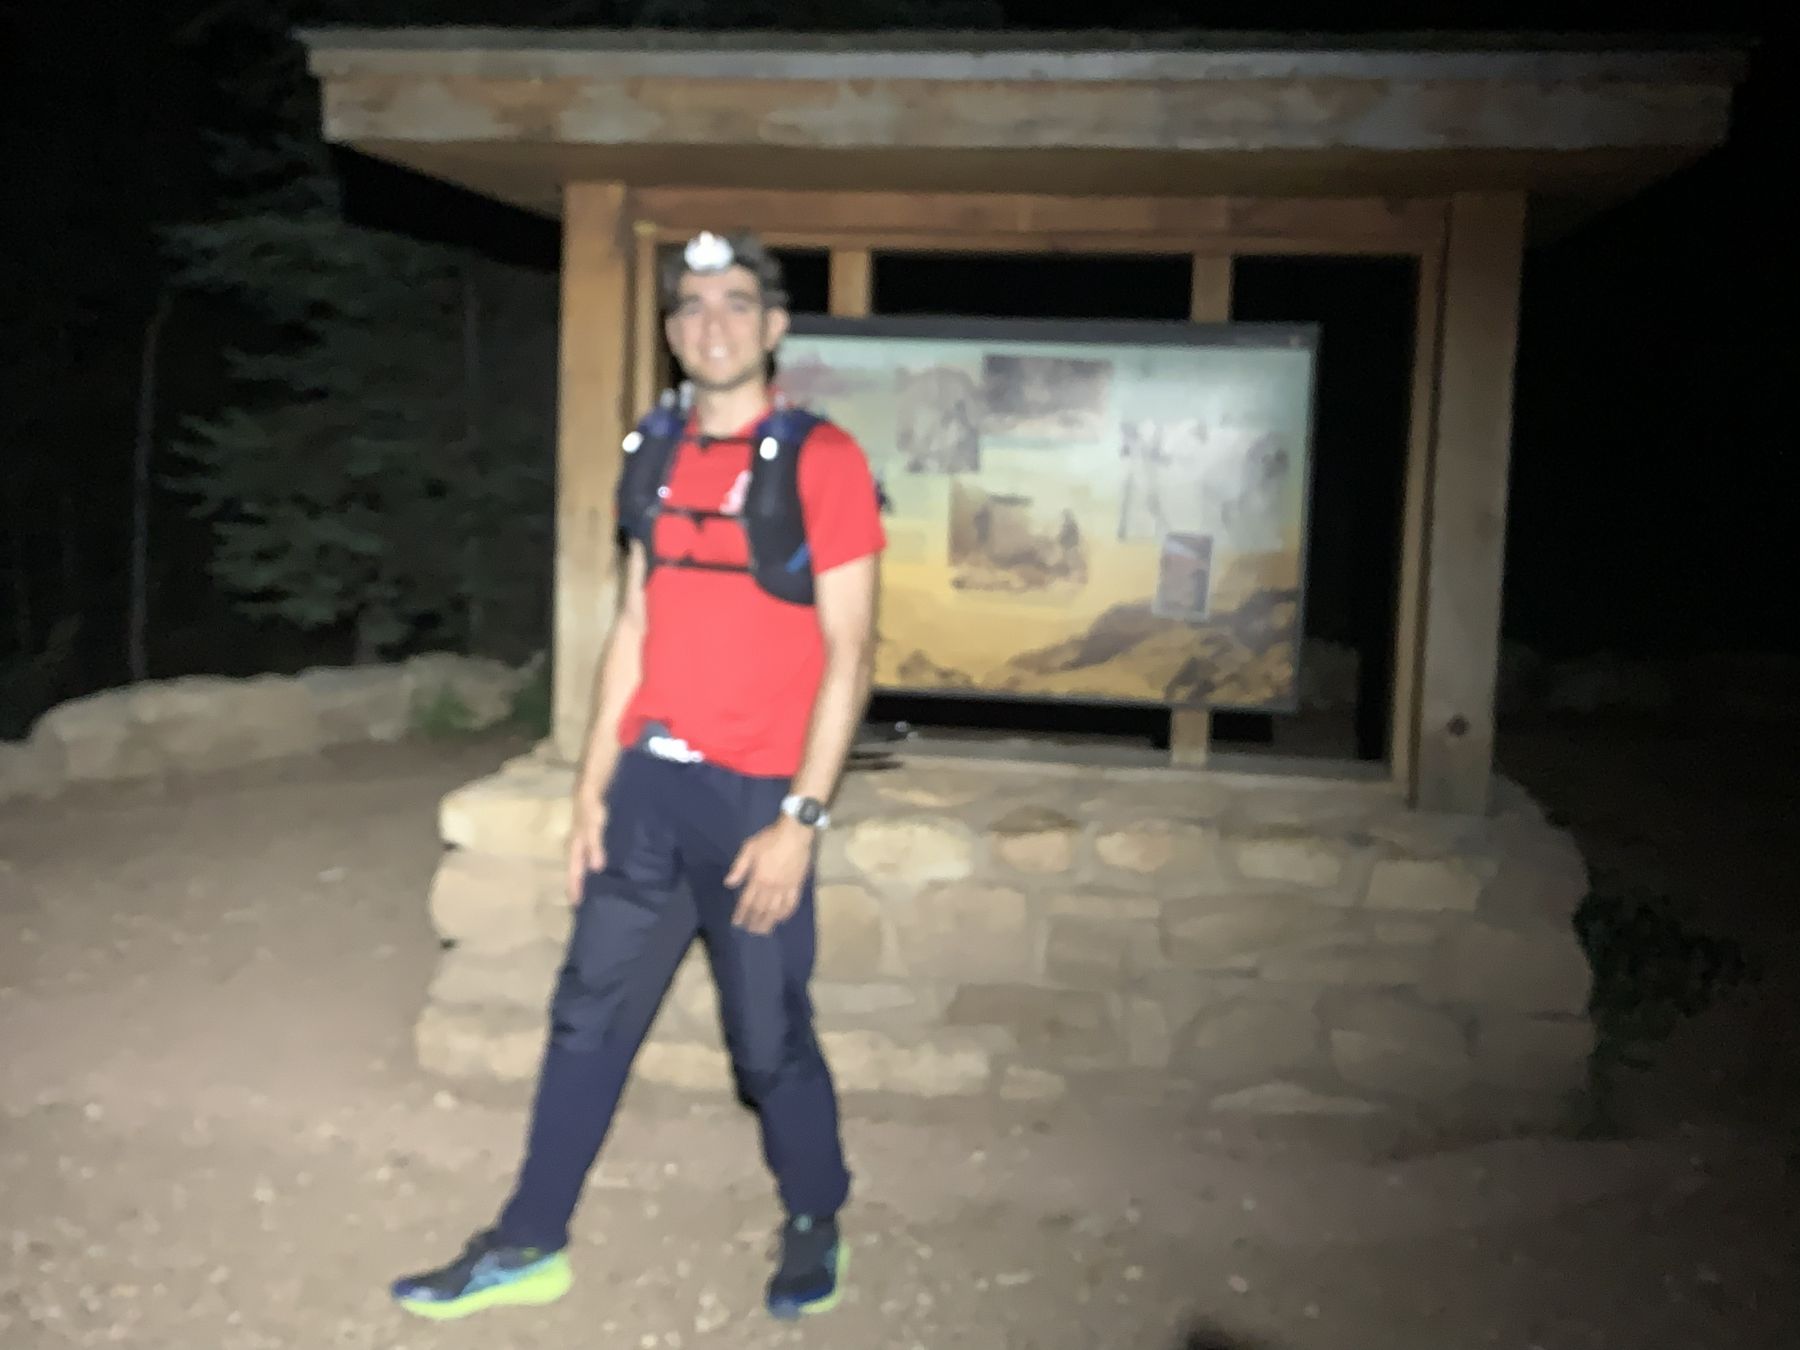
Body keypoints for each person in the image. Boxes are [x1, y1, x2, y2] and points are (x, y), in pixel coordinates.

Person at [390, 230, 886, 1324]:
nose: (714, 324)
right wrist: (589, 793)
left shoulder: (824, 461)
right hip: (648, 794)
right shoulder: (654, 453)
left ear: (773, 326)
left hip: (756, 800)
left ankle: (815, 1211)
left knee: (767, 1043)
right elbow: (635, 624)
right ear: (672, 332)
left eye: (737, 303)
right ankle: (530, 1240)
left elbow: (851, 652)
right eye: (693, 306)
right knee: (586, 1019)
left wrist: (802, 818)